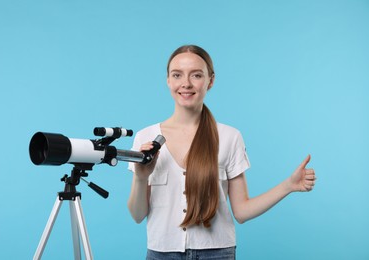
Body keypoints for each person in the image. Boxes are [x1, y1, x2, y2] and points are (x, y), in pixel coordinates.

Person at [127, 45, 316, 260]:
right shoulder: (146, 138)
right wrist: (141, 178)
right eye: (177, 75)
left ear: (211, 80)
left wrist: (288, 186)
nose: (186, 83)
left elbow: (242, 211)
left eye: (196, 75)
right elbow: (137, 215)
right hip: (161, 252)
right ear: (168, 80)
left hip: (216, 253)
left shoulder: (229, 137)